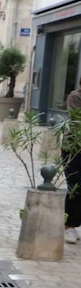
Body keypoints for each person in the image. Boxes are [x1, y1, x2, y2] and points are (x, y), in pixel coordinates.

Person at [64, 83, 81, 244]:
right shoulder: (75, 96)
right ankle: (69, 226)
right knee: (75, 187)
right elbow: (77, 120)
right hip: (74, 148)